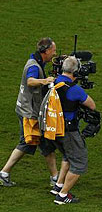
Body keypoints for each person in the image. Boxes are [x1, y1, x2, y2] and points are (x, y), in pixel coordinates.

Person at [0, 38, 58, 187]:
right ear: (46, 51)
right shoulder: (33, 66)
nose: (55, 53)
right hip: (30, 112)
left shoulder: (36, 61)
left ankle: (55, 177)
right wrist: (45, 81)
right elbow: (30, 81)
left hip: (27, 109)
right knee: (31, 143)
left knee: (40, 143)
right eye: (53, 51)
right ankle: (4, 173)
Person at [49, 56, 96, 205]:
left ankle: (58, 186)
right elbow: (92, 105)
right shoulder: (74, 89)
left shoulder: (52, 82)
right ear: (77, 71)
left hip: (52, 128)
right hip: (68, 130)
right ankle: (62, 196)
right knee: (80, 161)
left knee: (67, 155)